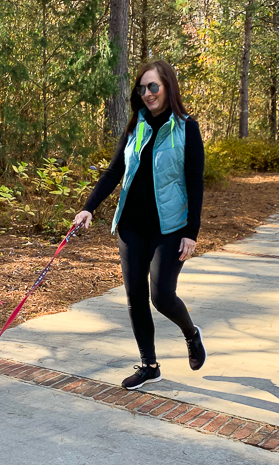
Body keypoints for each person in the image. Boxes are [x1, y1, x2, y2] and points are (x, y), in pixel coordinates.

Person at [73, 59, 206, 390]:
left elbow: (195, 182)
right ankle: (149, 365)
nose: (147, 93)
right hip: (131, 225)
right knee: (135, 296)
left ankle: (191, 333)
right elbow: (114, 171)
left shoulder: (187, 127)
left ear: (168, 87)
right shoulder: (136, 127)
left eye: (153, 87)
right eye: (142, 88)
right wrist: (89, 208)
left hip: (170, 227)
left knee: (161, 296)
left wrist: (191, 233)